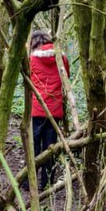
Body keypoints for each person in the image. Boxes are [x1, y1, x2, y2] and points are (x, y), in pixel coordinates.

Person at [28, 29, 69, 192]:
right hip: (55, 109)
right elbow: (66, 78)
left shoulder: (31, 58)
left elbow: (28, 78)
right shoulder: (61, 58)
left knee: (33, 146)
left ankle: (28, 181)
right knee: (50, 146)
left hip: (37, 108)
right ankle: (47, 183)